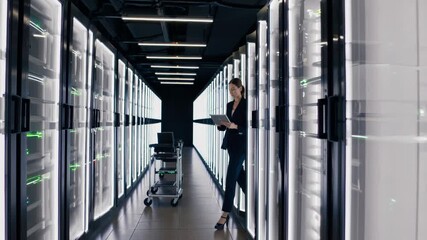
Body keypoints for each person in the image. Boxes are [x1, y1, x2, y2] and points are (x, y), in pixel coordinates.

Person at [214, 78, 247, 230]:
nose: (232, 92)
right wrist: (221, 125)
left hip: (241, 145)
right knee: (239, 176)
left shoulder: (247, 104)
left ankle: (225, 213)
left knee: (230, 177)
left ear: (241, 88)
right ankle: (257, 203)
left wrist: (236, 126)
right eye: (230, 89)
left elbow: (249, 126)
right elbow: (226, 126)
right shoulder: (229, 105)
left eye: (234, 89)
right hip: (230, 144)